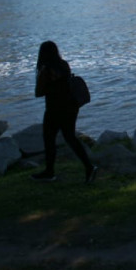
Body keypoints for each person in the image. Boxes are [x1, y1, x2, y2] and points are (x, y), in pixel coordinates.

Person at [32, 40, 98, 183]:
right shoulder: (64, 65)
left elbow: (38, 92)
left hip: (54, 109)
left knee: (49, 140)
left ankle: (50, 172)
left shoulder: (46, 70)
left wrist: (40, 78)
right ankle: (89, 166)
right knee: (70, 137)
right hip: (70, 107)